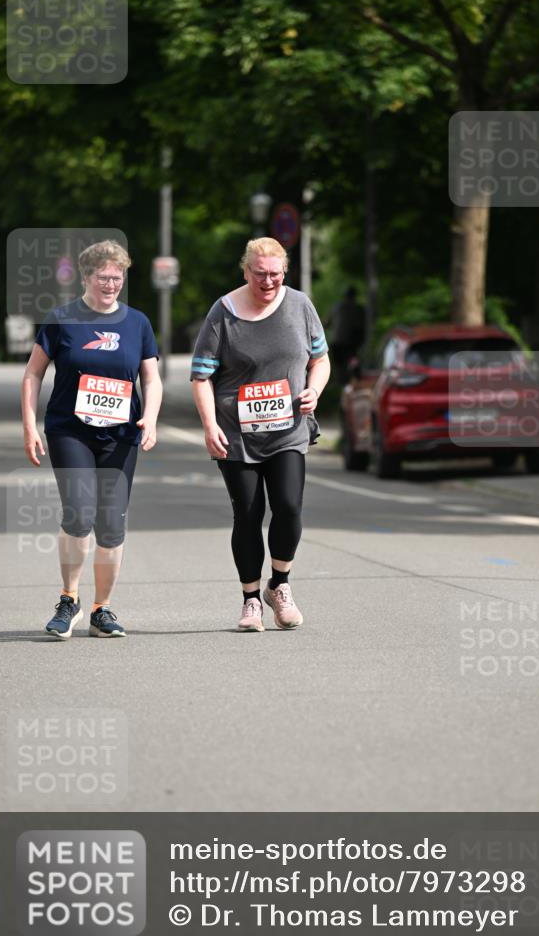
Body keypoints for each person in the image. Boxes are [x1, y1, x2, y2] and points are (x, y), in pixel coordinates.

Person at [21, 239, 162, 639]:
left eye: (118, 277)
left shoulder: (137, 323)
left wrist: (150, 418)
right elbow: (33, 374)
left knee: (112, 524)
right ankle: (69, 599)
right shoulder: (61, 319)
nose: (111, 284)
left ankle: (102, 609)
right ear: (86, 277)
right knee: (79, 515)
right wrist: (29, 425)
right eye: (103, 277)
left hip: (121, 435)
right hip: (70, 431)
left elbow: (151, 378)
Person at [191, 237, 330, 632]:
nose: (268, 281)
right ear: (245, 271)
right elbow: (201, 376)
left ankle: (279, 585)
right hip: (237, 434)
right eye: (259, 273)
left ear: (284, 271)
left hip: (288, 430)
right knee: (248, 514)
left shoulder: (300, 306)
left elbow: (320, 359)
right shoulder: (223, 313)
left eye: (275, 273)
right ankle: (250, 599)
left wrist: (314, 390)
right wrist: (210, 425)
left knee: (288, 506)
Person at [327, 285, 365, 384]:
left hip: (337, 341)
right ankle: (353, 382)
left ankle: (341, 384)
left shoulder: (337, 307)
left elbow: (326, 323)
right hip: (350, 342)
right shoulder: (358, 309)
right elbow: (361, 327)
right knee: (352, 362)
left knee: (339, 366)